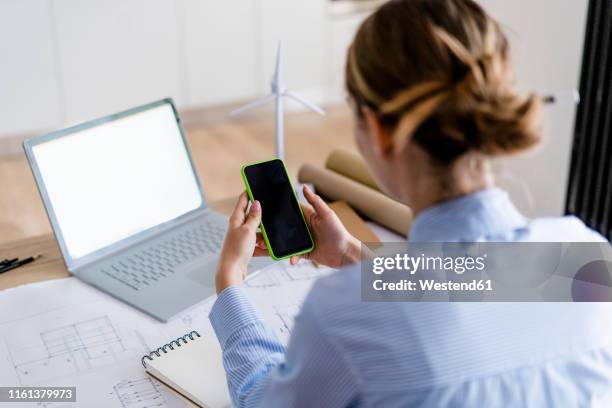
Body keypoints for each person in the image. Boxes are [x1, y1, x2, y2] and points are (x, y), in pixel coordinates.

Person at [209, 0, 612, 406]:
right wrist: (350, 254)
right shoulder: (587, 261)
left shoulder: (342, 319)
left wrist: (231, 283)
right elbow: (473, 286)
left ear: (381, 132)